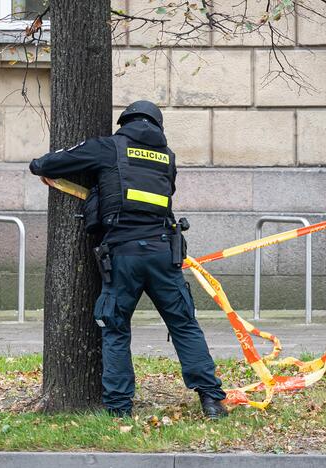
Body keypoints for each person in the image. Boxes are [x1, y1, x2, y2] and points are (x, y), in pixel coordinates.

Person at [29, 101, 228, 419]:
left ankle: (119, 409)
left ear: (125, 122)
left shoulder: (108, 147)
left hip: (123, 255)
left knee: (115, 328)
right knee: (185, 325)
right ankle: (212, 401)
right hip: (164, 253)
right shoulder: (167, 157)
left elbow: (45, 165)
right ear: (157, 126)